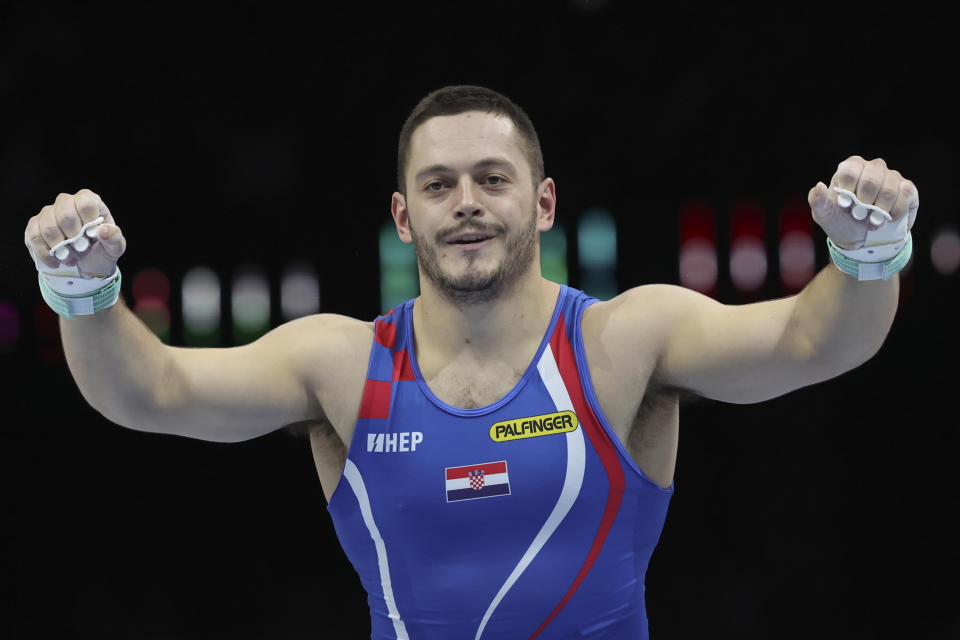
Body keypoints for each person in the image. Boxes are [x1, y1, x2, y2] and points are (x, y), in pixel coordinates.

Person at [23, 85, 918, 639]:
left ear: (543, 203)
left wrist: (868, 256)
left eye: (493, 179)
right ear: (404, 217)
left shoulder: (625, 341)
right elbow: (149, 390)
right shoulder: (339, 365)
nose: (467, 204)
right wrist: (84, 293)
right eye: (438, 185)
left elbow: (815, 340)